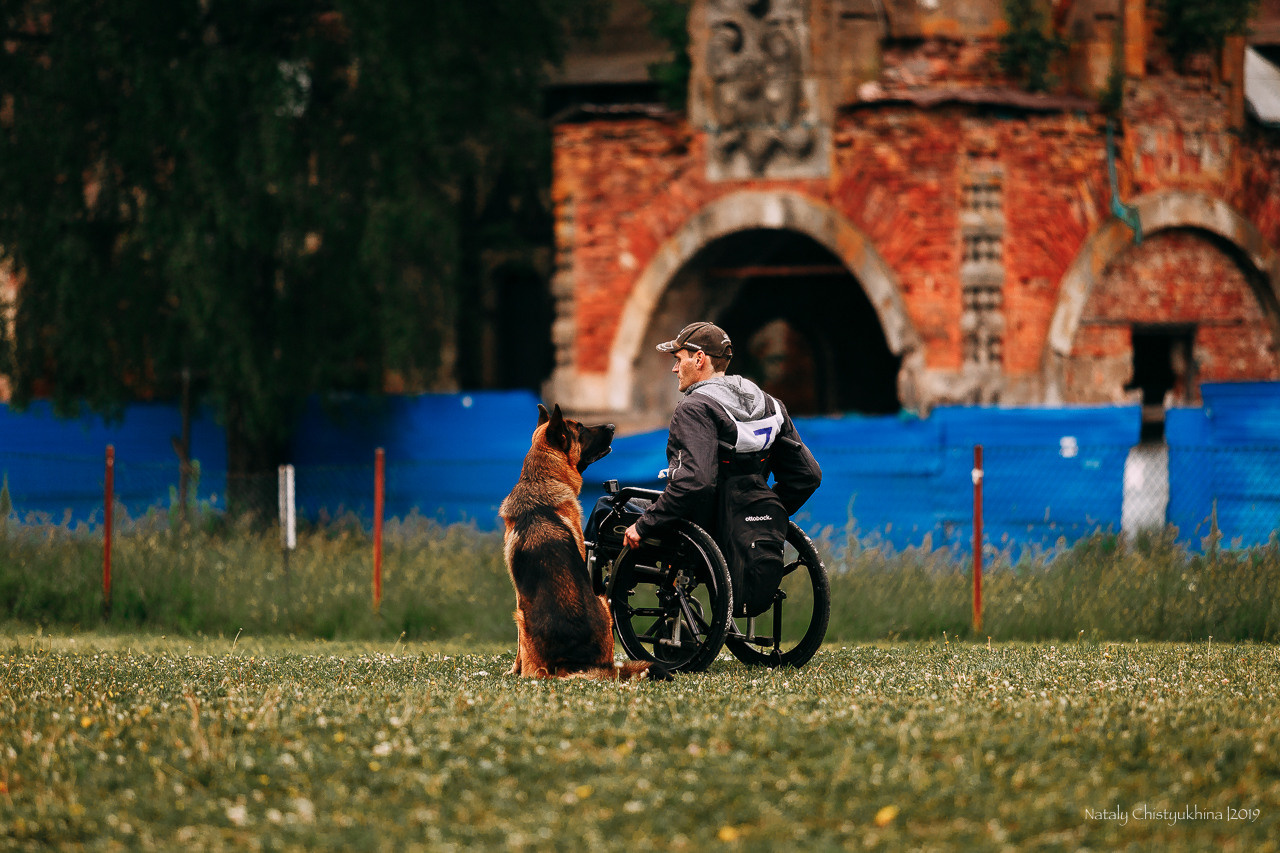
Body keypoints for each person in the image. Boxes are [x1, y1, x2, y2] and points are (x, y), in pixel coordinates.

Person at [621, 321, 822, 616]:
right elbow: (808, 475)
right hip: (738, 524)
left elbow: (695, 483)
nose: (674, 369)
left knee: (609, 509)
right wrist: (762, 513)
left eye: (678, 359)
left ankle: (593, 606)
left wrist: (644, 525)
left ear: (699, 359)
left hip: (700, 526)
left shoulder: (695, 408)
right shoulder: (771, 405)